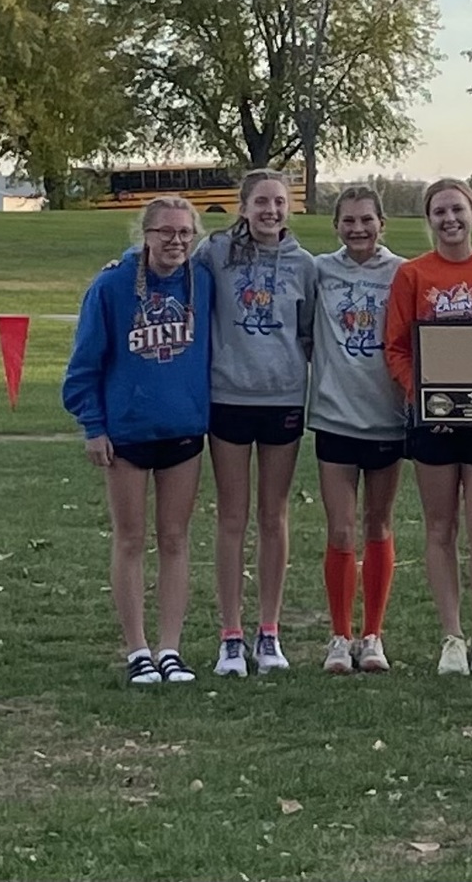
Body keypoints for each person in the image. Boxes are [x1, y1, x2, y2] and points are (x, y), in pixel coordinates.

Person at [63, 197, 213, 685]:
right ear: (144, 235)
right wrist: (94, 425)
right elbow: (84, 366)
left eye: (185, 233)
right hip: (126, 433)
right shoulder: (110, 286)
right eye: (165, 232)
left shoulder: (203, 282)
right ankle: (137, 650)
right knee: (130, 540)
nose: (175, 241)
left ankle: (170, 647)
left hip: (184, 431)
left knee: (175, 539)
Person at [384, 177, 472, 675]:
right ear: (429, 219)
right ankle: (452, 636)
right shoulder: (412, 275)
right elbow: (397, 347)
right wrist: (422, 396)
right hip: (434, 420)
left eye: (458, 210)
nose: (450, 220)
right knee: (439, 528)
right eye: (440, 212)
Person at [192, 169, 317, 677]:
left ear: (290, 209)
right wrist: (124, 265)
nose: (271, 211)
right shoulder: (215, 253)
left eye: (280, 203)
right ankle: (230, 635)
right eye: (261, 202)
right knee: (231, 515)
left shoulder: (304, 265)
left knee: (274, 515)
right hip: (228, 397)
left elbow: (308, 334)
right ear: (243, 208)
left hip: (283, 398)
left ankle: (269, 631)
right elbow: (168, 268)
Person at [308, 186, 405, 674]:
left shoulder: (401, 272)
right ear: (337, 226)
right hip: (334, 416)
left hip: (388, 417)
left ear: (381, 223)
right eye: (348, 221)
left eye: (366, 220)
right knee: (341, 529)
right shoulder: (321, 270)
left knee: (377, 525)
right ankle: (339, 636)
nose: (358, 229)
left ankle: (373, 636)